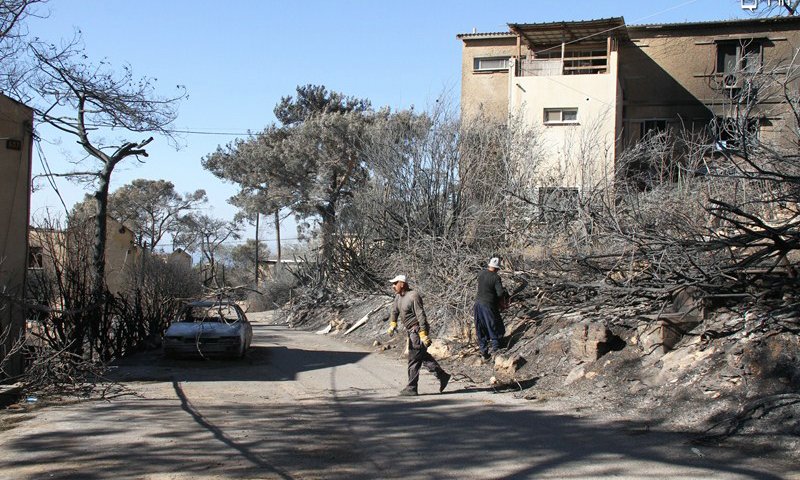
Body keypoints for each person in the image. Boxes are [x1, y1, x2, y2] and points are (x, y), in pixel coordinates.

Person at [387, 274, 451, 396]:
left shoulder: (413, 296)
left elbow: (421, 315)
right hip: (411, 331)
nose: (393, 286)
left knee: (414, 359)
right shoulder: (398, 297)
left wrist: (423, 334)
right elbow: (394, 311)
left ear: (402, 284)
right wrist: (392, 324)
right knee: (422, 356)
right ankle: (443, 376)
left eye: (395, 283)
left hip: (417, 330)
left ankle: (412, 388)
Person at [474, 257, 509, 359]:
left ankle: (484, 351)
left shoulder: (481, 274)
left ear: (489, 265)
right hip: (488, 305)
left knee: (480, 327)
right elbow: (499, 293)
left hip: (477, 304)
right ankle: (496, 349)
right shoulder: (496, 277)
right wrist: (504, 295)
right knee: (493, 325)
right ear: (497, 268)